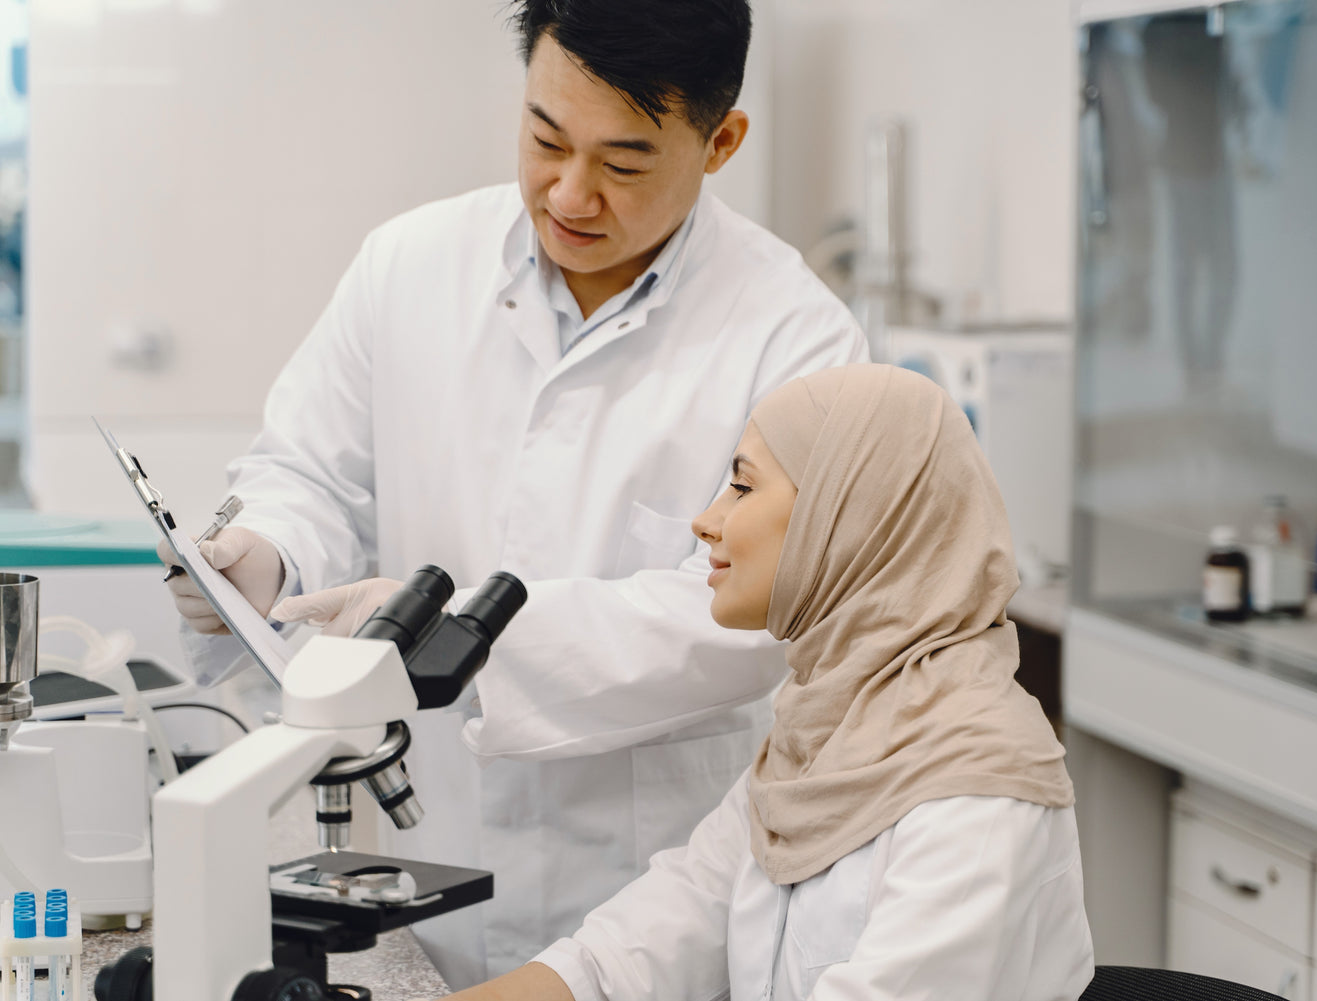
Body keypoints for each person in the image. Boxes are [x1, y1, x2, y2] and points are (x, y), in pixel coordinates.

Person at [157, 0, 866, 988]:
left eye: (623, 164)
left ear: (721, 142)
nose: (570, 193)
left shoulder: (796, 337)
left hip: (654, 899)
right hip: (424, 859)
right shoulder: (409, 264)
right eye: (545, 138)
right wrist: (264, 555)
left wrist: (467, 638)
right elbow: (309, 472)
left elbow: (753, 618)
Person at [440, 363, 1094, 1001]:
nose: (706, 521)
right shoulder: (825, 728)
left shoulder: (974, 791)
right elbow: (646, 942)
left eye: (742, 487)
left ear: (845, 517)